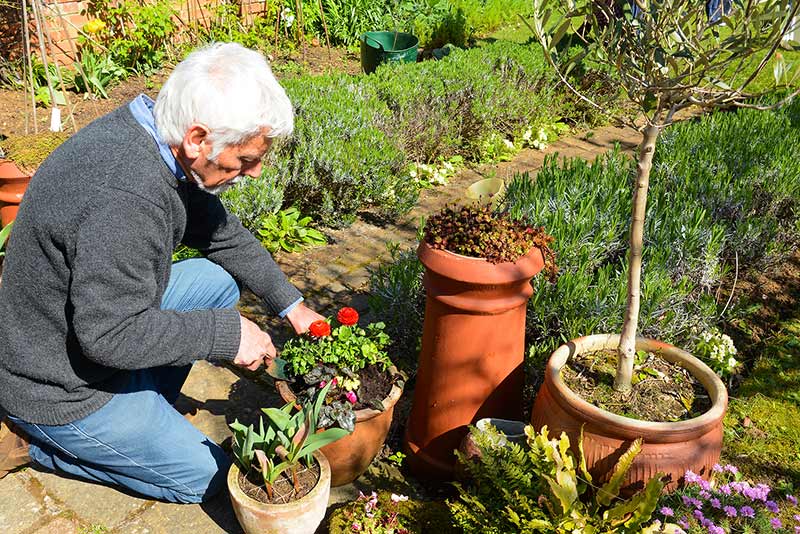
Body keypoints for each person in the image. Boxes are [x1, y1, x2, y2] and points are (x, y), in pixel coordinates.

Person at [0, 42, 324, 503]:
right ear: (197, 138)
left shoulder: (153, 137)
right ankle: (38, 444)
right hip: (57, 384)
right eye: (247, 159)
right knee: (211, 481)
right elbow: (108, 335)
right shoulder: (126, 198)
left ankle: (143, 404)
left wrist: (292, 306)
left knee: (214, 282)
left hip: (82, 331)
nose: (254, 172)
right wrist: (226, 335)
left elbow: (222, 235)